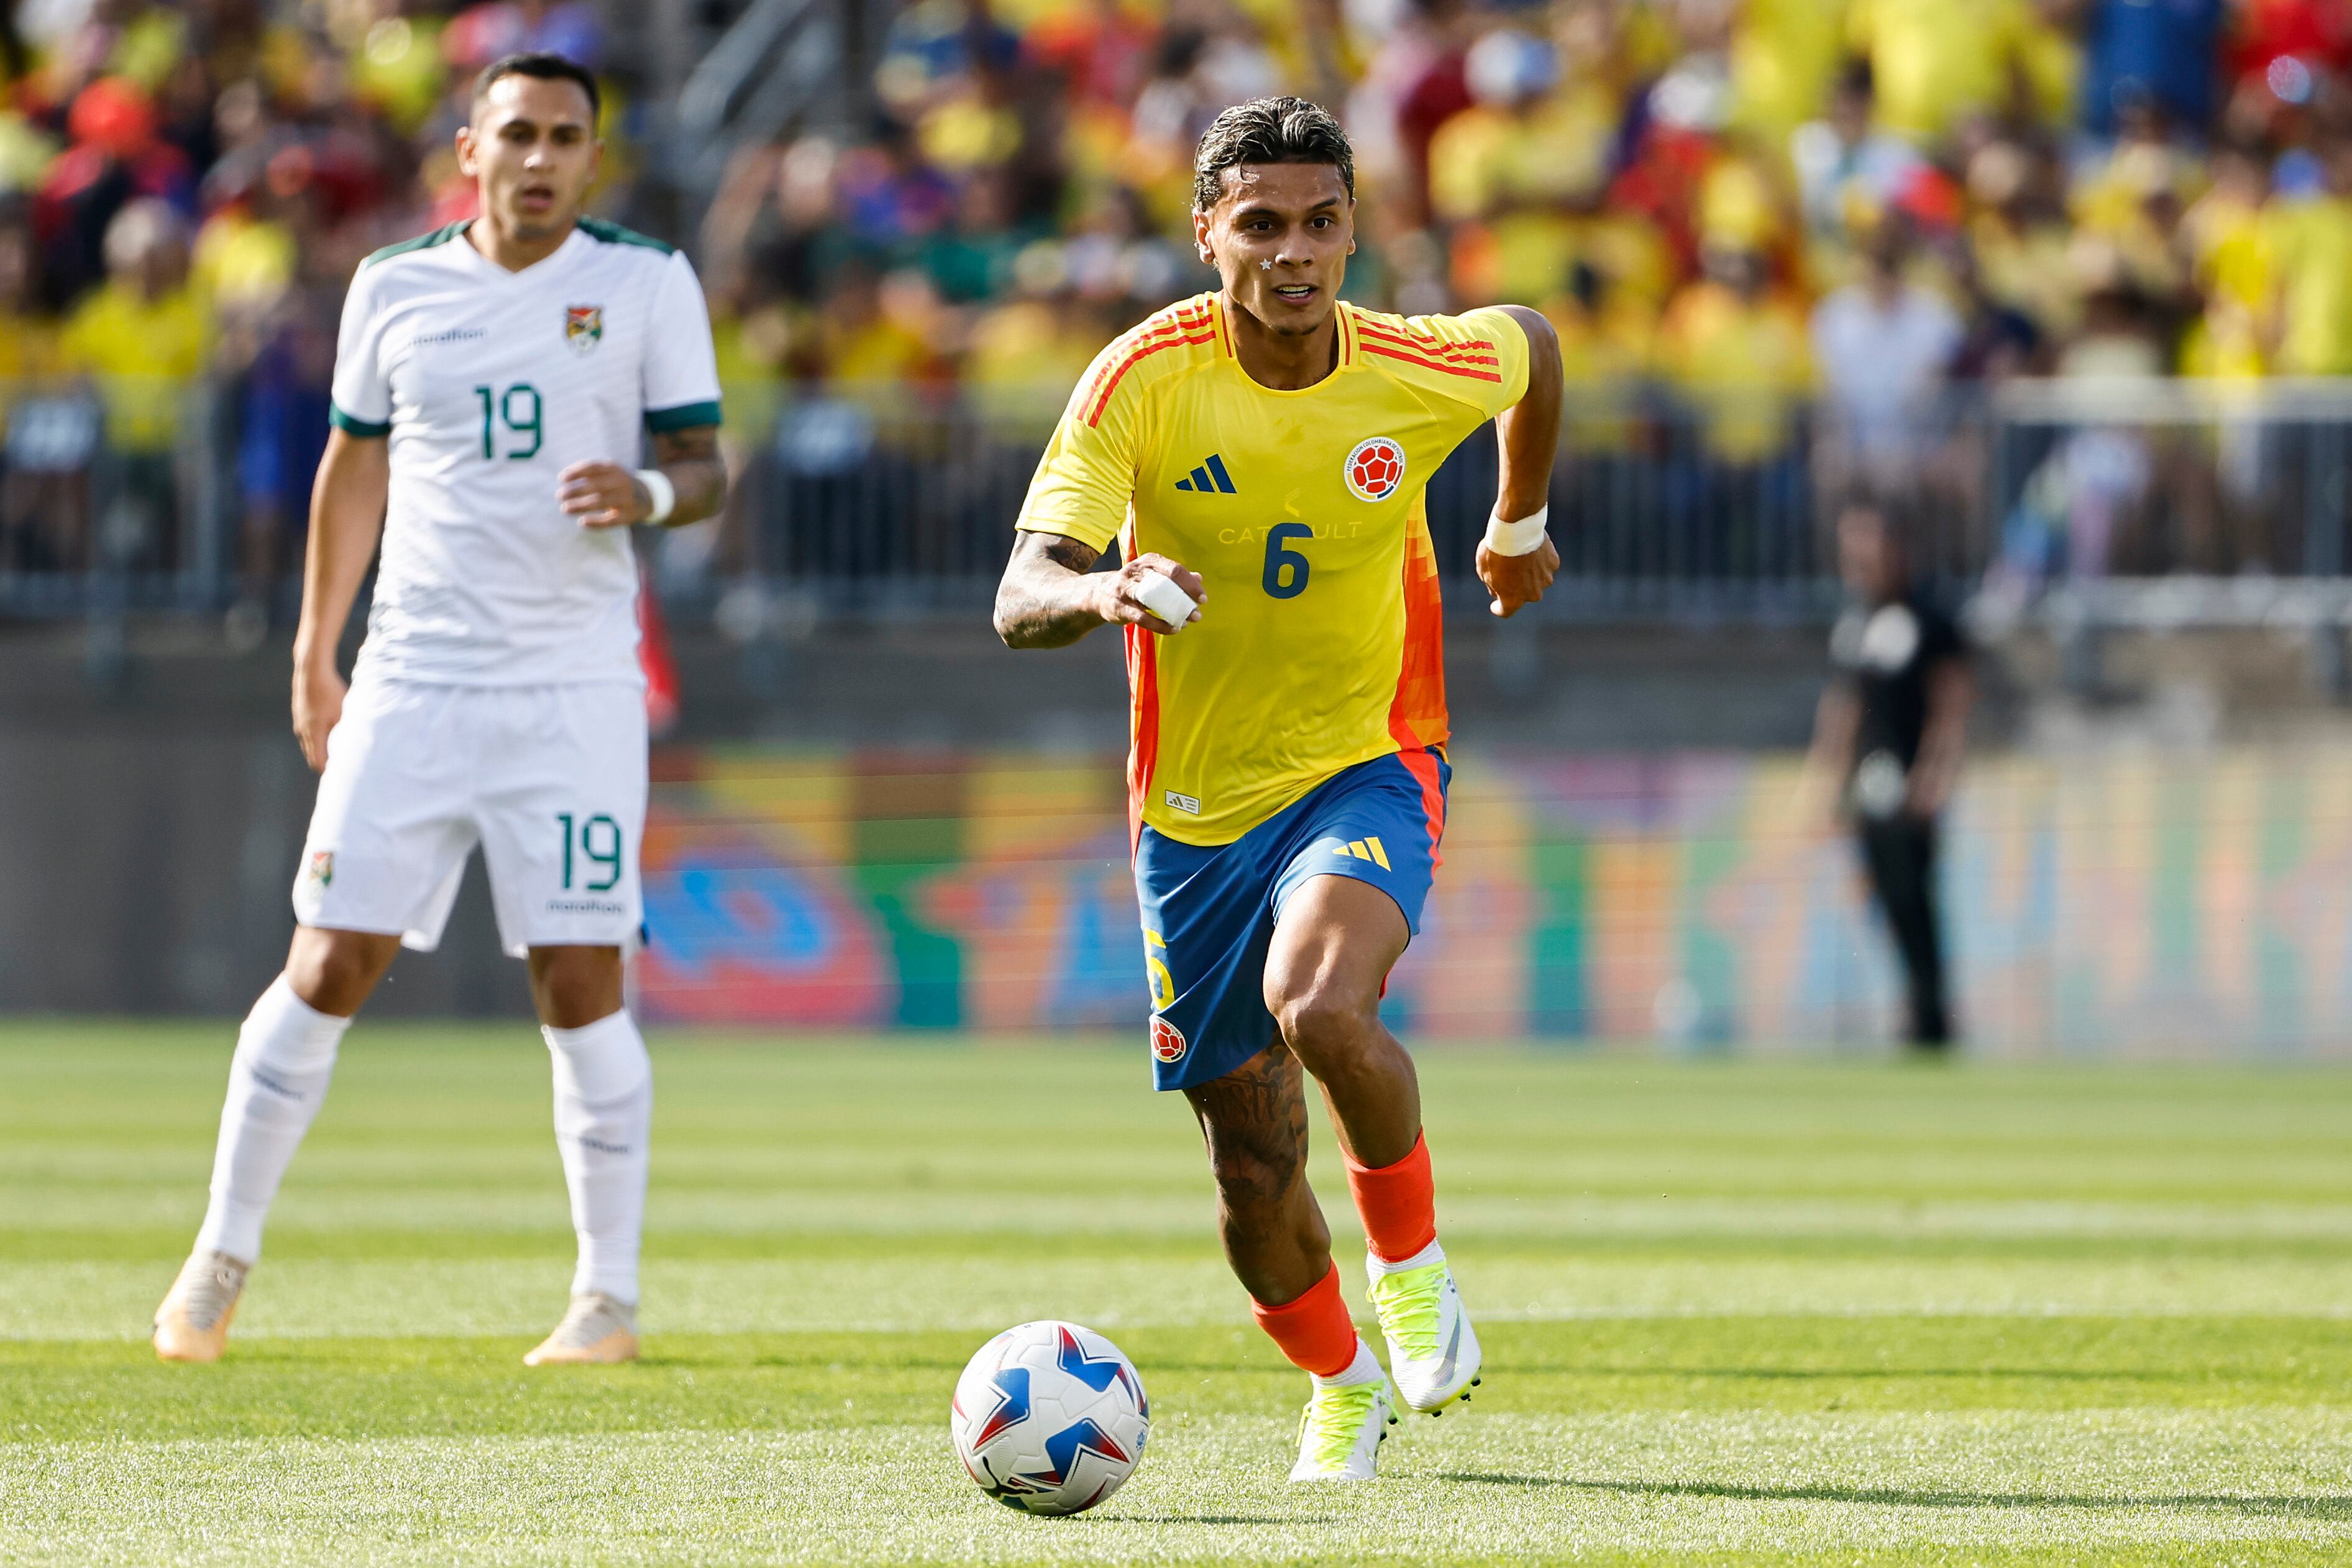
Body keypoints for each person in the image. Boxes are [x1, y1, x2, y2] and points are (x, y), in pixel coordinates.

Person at [992, 96, 1561, 1482]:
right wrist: (1102, 584)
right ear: (1206, 237)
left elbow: (1533, 348)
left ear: (1353, 232)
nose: (1292, 252)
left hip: (1368, 748)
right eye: (1259, 225)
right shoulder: (1141, 379)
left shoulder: (1408, 365)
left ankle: (1413, 1273)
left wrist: (1515, 520)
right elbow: (1017, 591)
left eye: (1319, 223)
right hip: (1192, 812)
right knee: (1249, 1166)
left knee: (1322, 1004)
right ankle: (1338, 1380)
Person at [150, 52, 727, 1367]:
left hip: (574, 687)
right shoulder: (394, 286)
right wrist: (314, 647)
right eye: (515, 133)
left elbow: (705, 467)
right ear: (468, 149)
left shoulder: (645, 282)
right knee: (324, 959)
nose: (539, 159)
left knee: (580, 980)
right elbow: (352, 466)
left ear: (594, 156)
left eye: (564, 138)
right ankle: (219, 1254)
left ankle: (606, 1297)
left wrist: (643, 493)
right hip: (412, 677)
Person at [1810, 499, 1973, 1051]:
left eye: (1866, 545)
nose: (1856, 559)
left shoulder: (1930, 618)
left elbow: (1950, 702)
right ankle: (1913, 1008)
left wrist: (1933, 774)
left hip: (1910, 789)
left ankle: (1931, 1015)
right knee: (1884, 899)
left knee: (1916, 898)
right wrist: (1829, 779)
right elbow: (1844, 706)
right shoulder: (1855, 622)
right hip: (1869, 788)